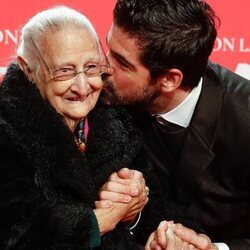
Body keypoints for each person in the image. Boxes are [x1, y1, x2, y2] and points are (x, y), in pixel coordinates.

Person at [99, 0, 250, 249]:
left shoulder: (243, 121)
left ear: (169, 79)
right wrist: (134, 213)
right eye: (108, 49)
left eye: (122, 63)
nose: (103, 67)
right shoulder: (107, 97)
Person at [0, 6, 149, 249]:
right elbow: (16, 231)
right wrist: (106, 218)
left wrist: (134, 205)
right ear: (28, 69)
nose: (82, 86)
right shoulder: (6, 130)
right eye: (64, 71)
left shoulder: (119, 118)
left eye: (91, 67)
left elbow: (158, 204)